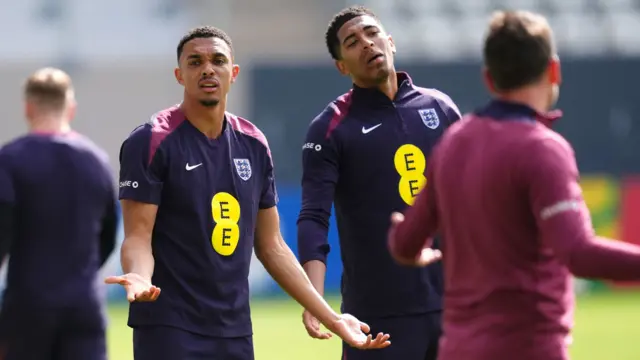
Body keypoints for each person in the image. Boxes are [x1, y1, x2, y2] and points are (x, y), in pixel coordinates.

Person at [104, 26, 390, 360]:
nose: (207, 68)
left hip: (234, 330)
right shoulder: (151, 140)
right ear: (180, 75)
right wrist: (139, 276)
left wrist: (332, 317)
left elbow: (272, 246)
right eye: (195, 62)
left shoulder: (253, 143)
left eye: (218, 60)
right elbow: (138, 236)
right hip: (169, 328)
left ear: (233, 72)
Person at [387, 10, 640, 360]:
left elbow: (404, 243)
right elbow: (578, 253)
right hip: (528, 348)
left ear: (489, 79)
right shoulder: (542, 148)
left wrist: (406, 243)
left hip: (458, 350)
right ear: (554, 70)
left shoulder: (454, 142)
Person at [297, 6, 461, 360]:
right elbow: (313, 217)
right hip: (378, 319)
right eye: (352, 42)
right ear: (342, 66)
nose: (367, 44)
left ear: (391, 41)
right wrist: (313, 296)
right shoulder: (329, 129)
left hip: (456, 307)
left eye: (372, 34)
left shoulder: (442, 108)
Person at [0, 67, 118, 360]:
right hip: (84, 305)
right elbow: (108, 236)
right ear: (71, 108)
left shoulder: (10, 160)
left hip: (28, 305)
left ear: (28, 108)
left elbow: (2, 229)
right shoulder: (97, 161)